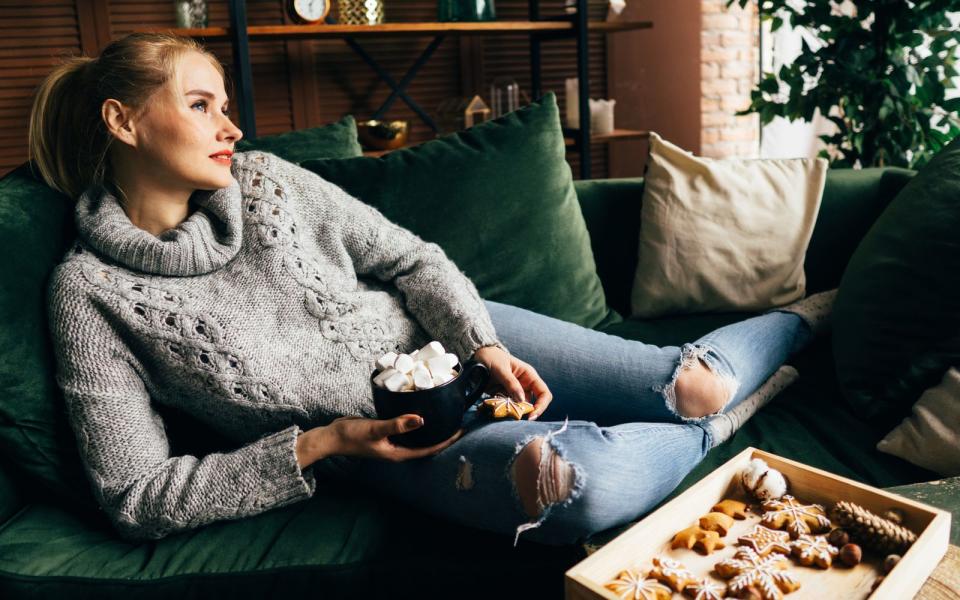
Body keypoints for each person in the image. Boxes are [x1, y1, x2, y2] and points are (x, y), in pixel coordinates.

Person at [31, 32, 834, 547]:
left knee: (693, 385)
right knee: (568, 485)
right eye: (201, 106)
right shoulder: (89, 296)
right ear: (123, 122)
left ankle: (799, 322)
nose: (231, 127)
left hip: (451, 341)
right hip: (387, 445)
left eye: (227, 106)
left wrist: (482, 344)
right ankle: (731, 427)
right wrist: (326, 443)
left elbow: (414, 260)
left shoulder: (270, 183)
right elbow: (135, 496)